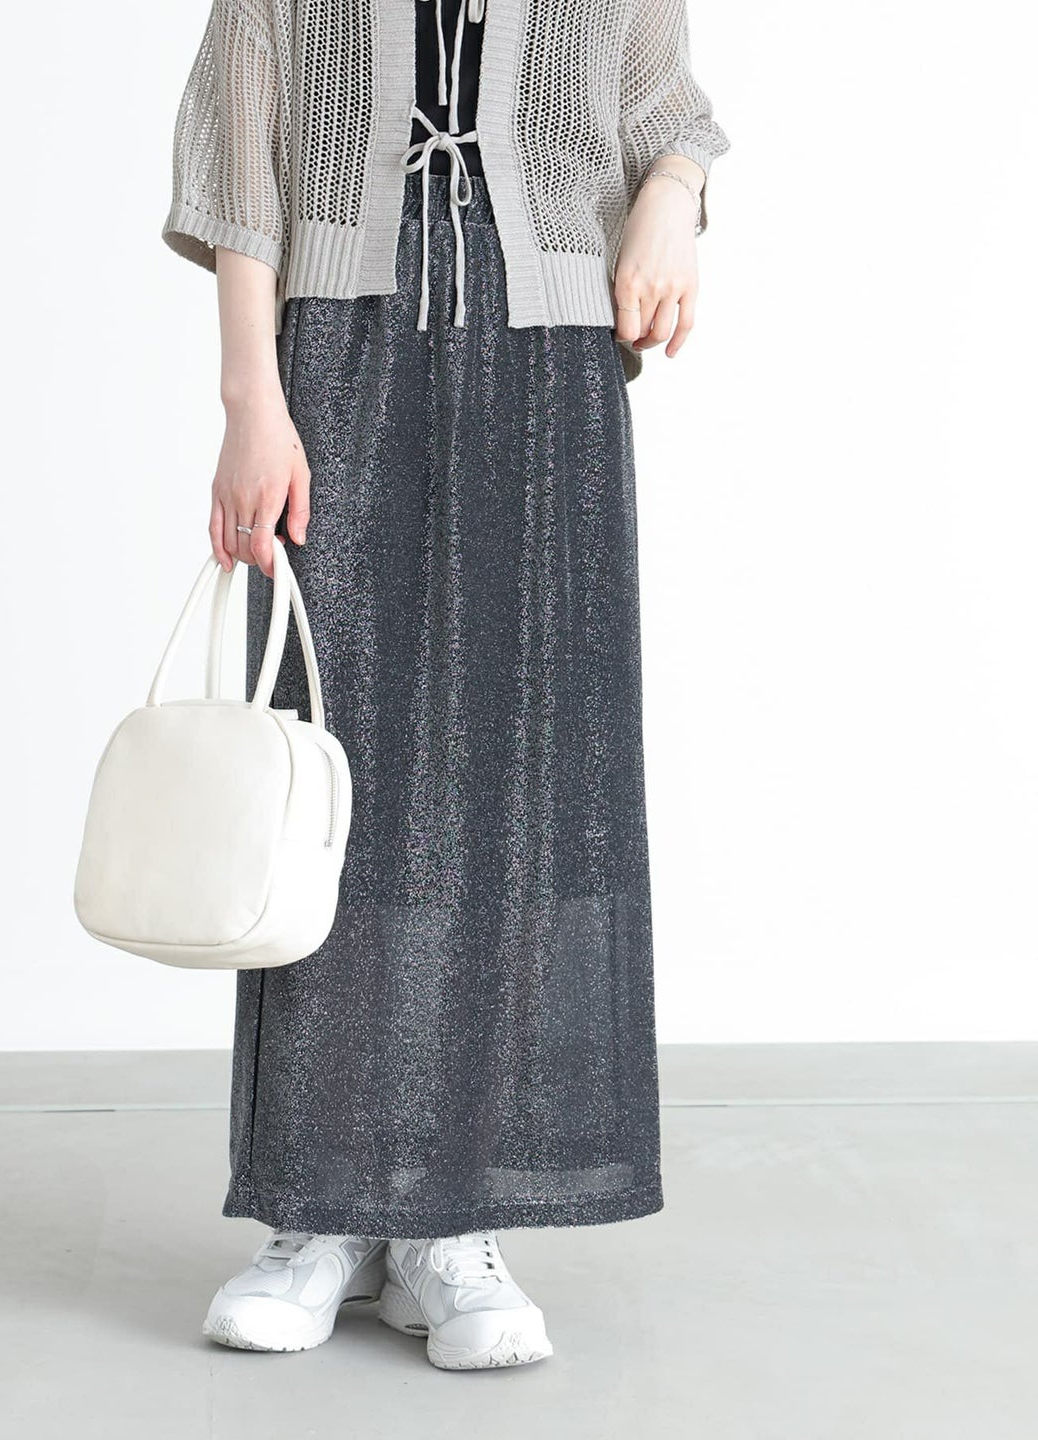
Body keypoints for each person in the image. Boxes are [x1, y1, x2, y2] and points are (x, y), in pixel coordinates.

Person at [161, 0, 729, 1371]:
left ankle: (453, 1220)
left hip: (548, 364)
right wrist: (251, 401)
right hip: (339, 355)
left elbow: (668, 105)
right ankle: (322, 1211)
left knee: (513, 784)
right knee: (334, 778)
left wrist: (672, 195)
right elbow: (240, 159)